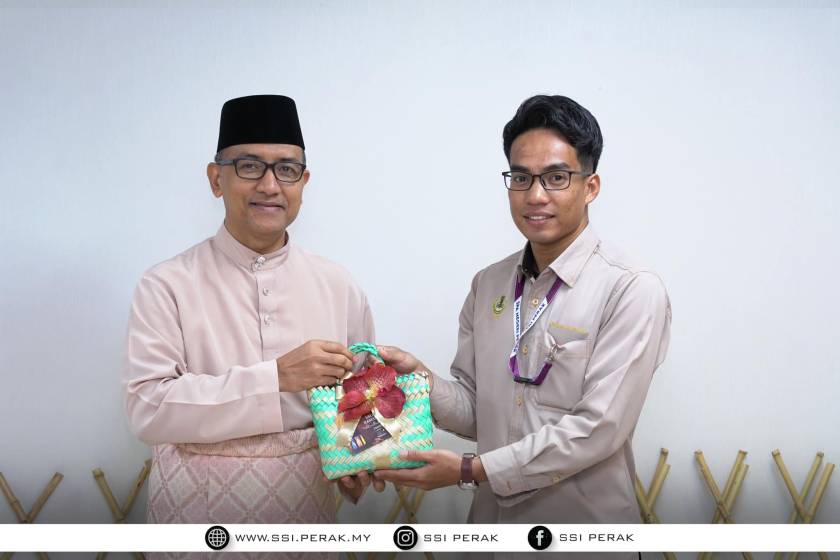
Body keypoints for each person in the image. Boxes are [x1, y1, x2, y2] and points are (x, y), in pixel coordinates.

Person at [375, 95, 672, 559]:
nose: (535, 195)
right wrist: (421, 382)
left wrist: (471, 470)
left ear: (591, 186)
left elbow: (598, 428)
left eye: (556, 177)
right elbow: (479, 412)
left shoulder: (630, 288)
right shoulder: (488, 284)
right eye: (520, 177)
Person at [122, 95, 378, 546]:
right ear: (215, 179)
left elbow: (364, 396)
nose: (270, 185)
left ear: (304, 182)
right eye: (249, 166)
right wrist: (275, 378)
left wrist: (359, 456)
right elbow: (148, 411)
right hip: (197, 523)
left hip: (305, 520)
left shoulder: (337, 284)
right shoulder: (166, 284)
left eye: (287, 169)